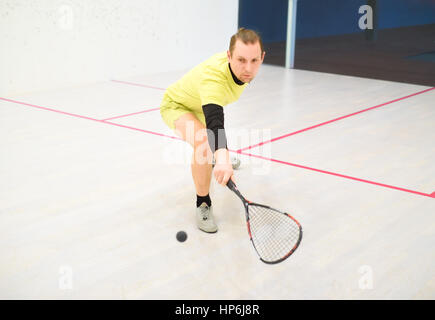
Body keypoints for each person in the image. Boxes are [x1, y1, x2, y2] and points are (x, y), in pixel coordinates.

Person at [160, 28, 265, 233]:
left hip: (199, 106)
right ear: (229, 56)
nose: (248, 68)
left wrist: (221, 154)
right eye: (241, 60)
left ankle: (217, 158)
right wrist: (222, 156)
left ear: (262, 58)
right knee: (204, 144)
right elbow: (215, 122)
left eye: (254, 61)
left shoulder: (244, 71)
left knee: (213, 147)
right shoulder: (214, 78)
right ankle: (203, 203)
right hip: (177, 106)